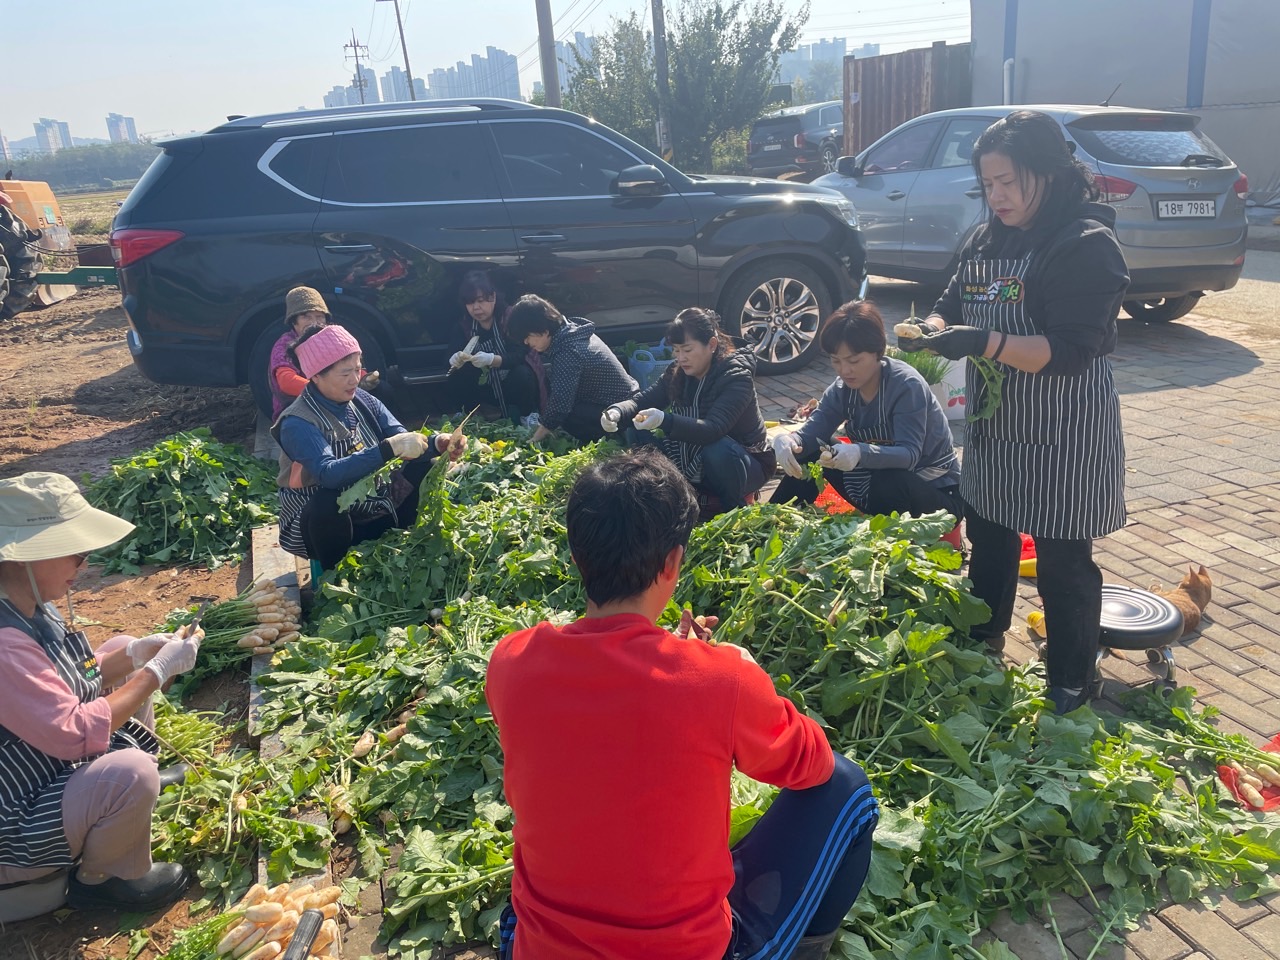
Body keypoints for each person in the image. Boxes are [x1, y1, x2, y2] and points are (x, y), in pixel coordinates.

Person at [486, 450, 879, 960]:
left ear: (577, 556)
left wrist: (674, 661)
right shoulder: (723, 680)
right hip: (685, 949)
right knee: (848, 788)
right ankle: (805, 949)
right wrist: (743, 671)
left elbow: (604, 730)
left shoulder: (512, 661)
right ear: (673, 561)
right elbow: (812, 764)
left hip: (546, 947)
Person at [897, 110, 1129, 714]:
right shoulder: (985, 240)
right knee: (991, 537)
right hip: (998, 428)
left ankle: (1070, 679)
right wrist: (932, 328)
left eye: (1008, 182)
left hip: (1064, 429)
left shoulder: (1085, 245)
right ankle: (981, 641)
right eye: (988, 184)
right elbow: (949, 302)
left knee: (1061, 562)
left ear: (1048, 175)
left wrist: (984, 342)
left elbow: (1073, 352)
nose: (996, 197)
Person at [0, 472, 203, 914]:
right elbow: (74, 731)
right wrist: (155, 671)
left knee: (116, 653)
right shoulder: (4, 644)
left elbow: (79, 672)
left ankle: (119, 804)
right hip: (11, 823)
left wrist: (137, 653)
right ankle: (103, 878)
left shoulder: (26, 602)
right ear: (23, 557)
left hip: (40, 765)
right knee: (128, 772)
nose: (84, 562)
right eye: (74, 552)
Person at [272, 324, 464, 571]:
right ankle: (336, 577)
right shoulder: (298, 421)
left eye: (357, 369)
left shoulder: (362, 399)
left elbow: (403, 439)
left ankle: (406, 545)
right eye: (344, 374)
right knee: (329, 501)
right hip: (322, 527)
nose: (355, 379)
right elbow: (329, 474)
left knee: (425, 467)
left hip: (373, 506)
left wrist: (439, 443)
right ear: (316, 376)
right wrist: (386, 449)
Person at [771, 300, 961, 521]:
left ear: (877, 352)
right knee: (813, 451)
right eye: (836, 361)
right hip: (872, 485)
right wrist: (790, 441)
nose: (845, 370)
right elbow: (813, 432)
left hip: (932, 495)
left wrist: (860, 452)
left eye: (854, 360)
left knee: (890, 480)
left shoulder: (906, 386)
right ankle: (774, 522)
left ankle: (887, 544)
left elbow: (909, 455)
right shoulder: (842, 389)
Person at [601, 307, 774, 513]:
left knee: (716, 448)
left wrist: (664, 420)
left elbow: (713, 429)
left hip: (742, 463)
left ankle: (734, 509)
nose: (681, 357)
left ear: (711, 345)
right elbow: (643, 400)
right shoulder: (678, 371)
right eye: (676, 350)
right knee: (634, 427)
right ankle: (665, 496)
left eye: (687, 350)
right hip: (694, 456)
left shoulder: (736, 377)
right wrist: (617, 411)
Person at [505, 294, 638, 443]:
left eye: (527, 336)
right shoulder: (570, 333)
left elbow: (560, 404)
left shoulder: (568, 352)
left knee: (568, 415)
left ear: (543, 330)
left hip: (619, 411)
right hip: (623, 400)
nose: (526, 342)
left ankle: (603, 440)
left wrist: (535, 438)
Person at [445, 271, 539, 420]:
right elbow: (450, 355)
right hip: (484, 385)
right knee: (457, 375)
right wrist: (454, 359)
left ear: (493, 297)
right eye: (470, 303)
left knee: (523, 373)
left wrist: (492, 359)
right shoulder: (464, 326)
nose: (476, 308)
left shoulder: (510, 318)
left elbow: (520, 355)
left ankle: (526, 416)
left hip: (510, 382)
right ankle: (465, 416)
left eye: (481, 301)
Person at [268, 286, 331, 419]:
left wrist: (363, 377)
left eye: (319, 316)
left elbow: (348, 363)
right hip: (296, 411)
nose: (314, 322)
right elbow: (287, 382)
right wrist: (328, 391)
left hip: (332, 404)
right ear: (294, 321)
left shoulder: (331, 339)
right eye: (306, 317)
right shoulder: (284, 345)